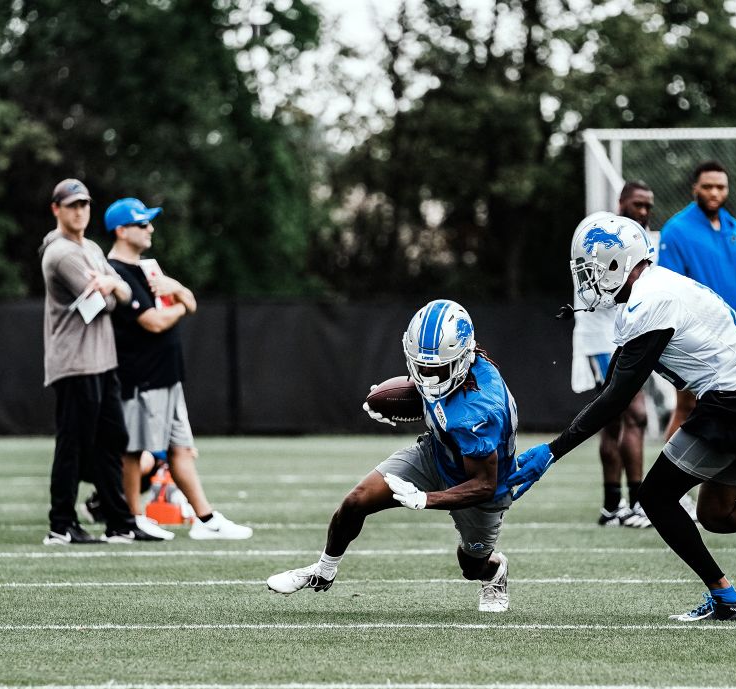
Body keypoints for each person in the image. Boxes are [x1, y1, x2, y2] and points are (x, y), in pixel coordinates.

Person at [510, 213, 736, 622]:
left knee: (654, 498)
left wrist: (551, 452)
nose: (588, 281)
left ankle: (726, 598)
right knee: (715, 515)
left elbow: (615, 397)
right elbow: (618, 377)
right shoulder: (655, 289)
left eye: (592, 270)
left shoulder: (651, 300)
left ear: (618, 263)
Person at [268, 300, 520, 612]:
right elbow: (436, 399)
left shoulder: (482, 407)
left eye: (436, 368)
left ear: (464, 356)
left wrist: (426, 498)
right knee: (356, 500)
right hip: (436, 454)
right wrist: (394, 406)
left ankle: (495, 571)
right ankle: (323, 571)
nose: (427, 376)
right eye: (421, 366)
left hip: (481, 487)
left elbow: (483, 482)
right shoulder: (447, 365)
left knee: (471, 566)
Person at [100, 197, 253, 540]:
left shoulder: (147, 267)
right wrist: (181, 306)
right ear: (122, 231)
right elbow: (154, 322)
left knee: (181, 449)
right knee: (133, 449)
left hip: (168, 375)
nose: (150, 229)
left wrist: (180, 291)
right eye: (142, 224)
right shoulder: (115, 271)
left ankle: (206, 518)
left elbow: (190, 302)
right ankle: (130, 518)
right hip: (141, 377)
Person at [39, 178, 161, 544]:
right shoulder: (61, 253)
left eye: (84, 204)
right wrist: (112, 289)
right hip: (75, 362)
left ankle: (119, 521)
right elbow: (105, 302)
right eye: (72, 205)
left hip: (101, 361)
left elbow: (120, 288)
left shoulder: (90, 247)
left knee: (114, 439)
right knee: (73, 444)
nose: (79, 211)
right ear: (57, 209)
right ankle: (60, 524)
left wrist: (113, 286)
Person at [570, 181, 654, 527]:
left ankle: (612, 507)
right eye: (637, 204)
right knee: (635, 416)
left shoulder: (641, 238)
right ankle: (637, 504)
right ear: (621, 202)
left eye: (649, 205)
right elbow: (595, 290)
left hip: (626, 337)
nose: (644, 212)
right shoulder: (598, 231)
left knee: (614, 422)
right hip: (603, 339)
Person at [655, 160, 736, 440]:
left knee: (731, 408)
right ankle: (667, 483)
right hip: (694, 337)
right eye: (707, 186)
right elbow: (669, 289)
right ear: (695, 188)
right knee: (688, 406)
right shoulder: (676, 229)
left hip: (733, 335)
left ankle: (714, 481)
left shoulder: (734, 227)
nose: (714, 193)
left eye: (720, 187)